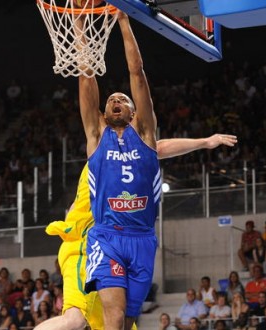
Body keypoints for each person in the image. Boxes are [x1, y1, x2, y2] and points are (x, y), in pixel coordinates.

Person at [78, 13, 216, 330]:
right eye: (111, 99)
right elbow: (86, 76)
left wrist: (125, 21)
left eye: (122, 99)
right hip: (107, 236)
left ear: (133, 111)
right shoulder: (96, 136)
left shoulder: (146, 135)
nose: (115, 100)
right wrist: (80, 29)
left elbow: (137, 73)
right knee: (114, 315)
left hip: (143, 238)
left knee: (129, 319)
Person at [37, 133, 237, 330]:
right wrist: (205, 142)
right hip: (84, 248)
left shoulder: (110, 166)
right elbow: (158, 148)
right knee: (75, 320)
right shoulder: (104, 158)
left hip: (106, 248)